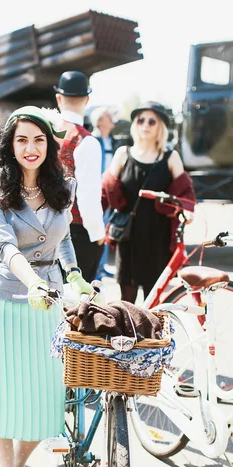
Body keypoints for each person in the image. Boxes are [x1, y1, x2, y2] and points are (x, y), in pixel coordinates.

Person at [0, 106, 93, 467]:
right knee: (5, 401)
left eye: (38, 139)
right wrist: (34, 283)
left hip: (51, 307)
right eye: (21, 139)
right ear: (10, 145)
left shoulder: (66, 187)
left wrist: (75, 274)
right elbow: (5, 247)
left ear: (50, 144)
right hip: (8, 305)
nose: (30, 148)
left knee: (46, 404)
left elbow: (62, 240)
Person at [102, 101, 196, 304]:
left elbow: (186, 191)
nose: (145, 125)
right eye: (140, 120)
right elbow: (104, 191)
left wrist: (187, 211)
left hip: (157, 237)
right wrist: (92, 225)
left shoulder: (170, 157)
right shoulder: (122, 154)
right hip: (128, 236)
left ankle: (152, 336)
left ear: (160, 127)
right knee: (126, 298)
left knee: (154, 298)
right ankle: (128, 336)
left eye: (151, 121)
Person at [54, 71, 105, 283]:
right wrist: (98, 233)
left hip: (43, 229)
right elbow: (87, 198)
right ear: (87, 99)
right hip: (76, 233)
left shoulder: (43, 134)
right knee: (77, 307)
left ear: (59, 98)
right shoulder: (86, 141)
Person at [91, 106, 118, 279]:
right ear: (100, 121)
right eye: (109, 116)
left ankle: (102, 266)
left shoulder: (111, 141)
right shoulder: (93, 140)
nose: (112, 118)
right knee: (97, 229)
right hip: (96, 191)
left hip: (108, 190)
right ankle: (95, 268)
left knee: (107, 227)